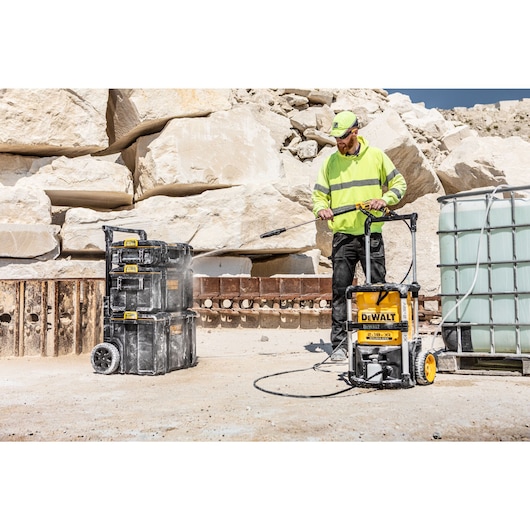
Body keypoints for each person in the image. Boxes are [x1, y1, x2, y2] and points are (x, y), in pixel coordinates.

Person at [312, 110, 407, 361]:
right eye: (336, 139)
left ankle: (379, 341)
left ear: (355, 132)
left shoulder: (376, 157)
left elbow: (400, 185)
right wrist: (320, 208)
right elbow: (319, 195)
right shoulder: (331, 163)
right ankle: (340, 345)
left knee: (377, 290)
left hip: (371, 234)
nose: (339, 143)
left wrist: (384, 199)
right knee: (340, 290)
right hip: (343, 236)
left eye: (342, 137)